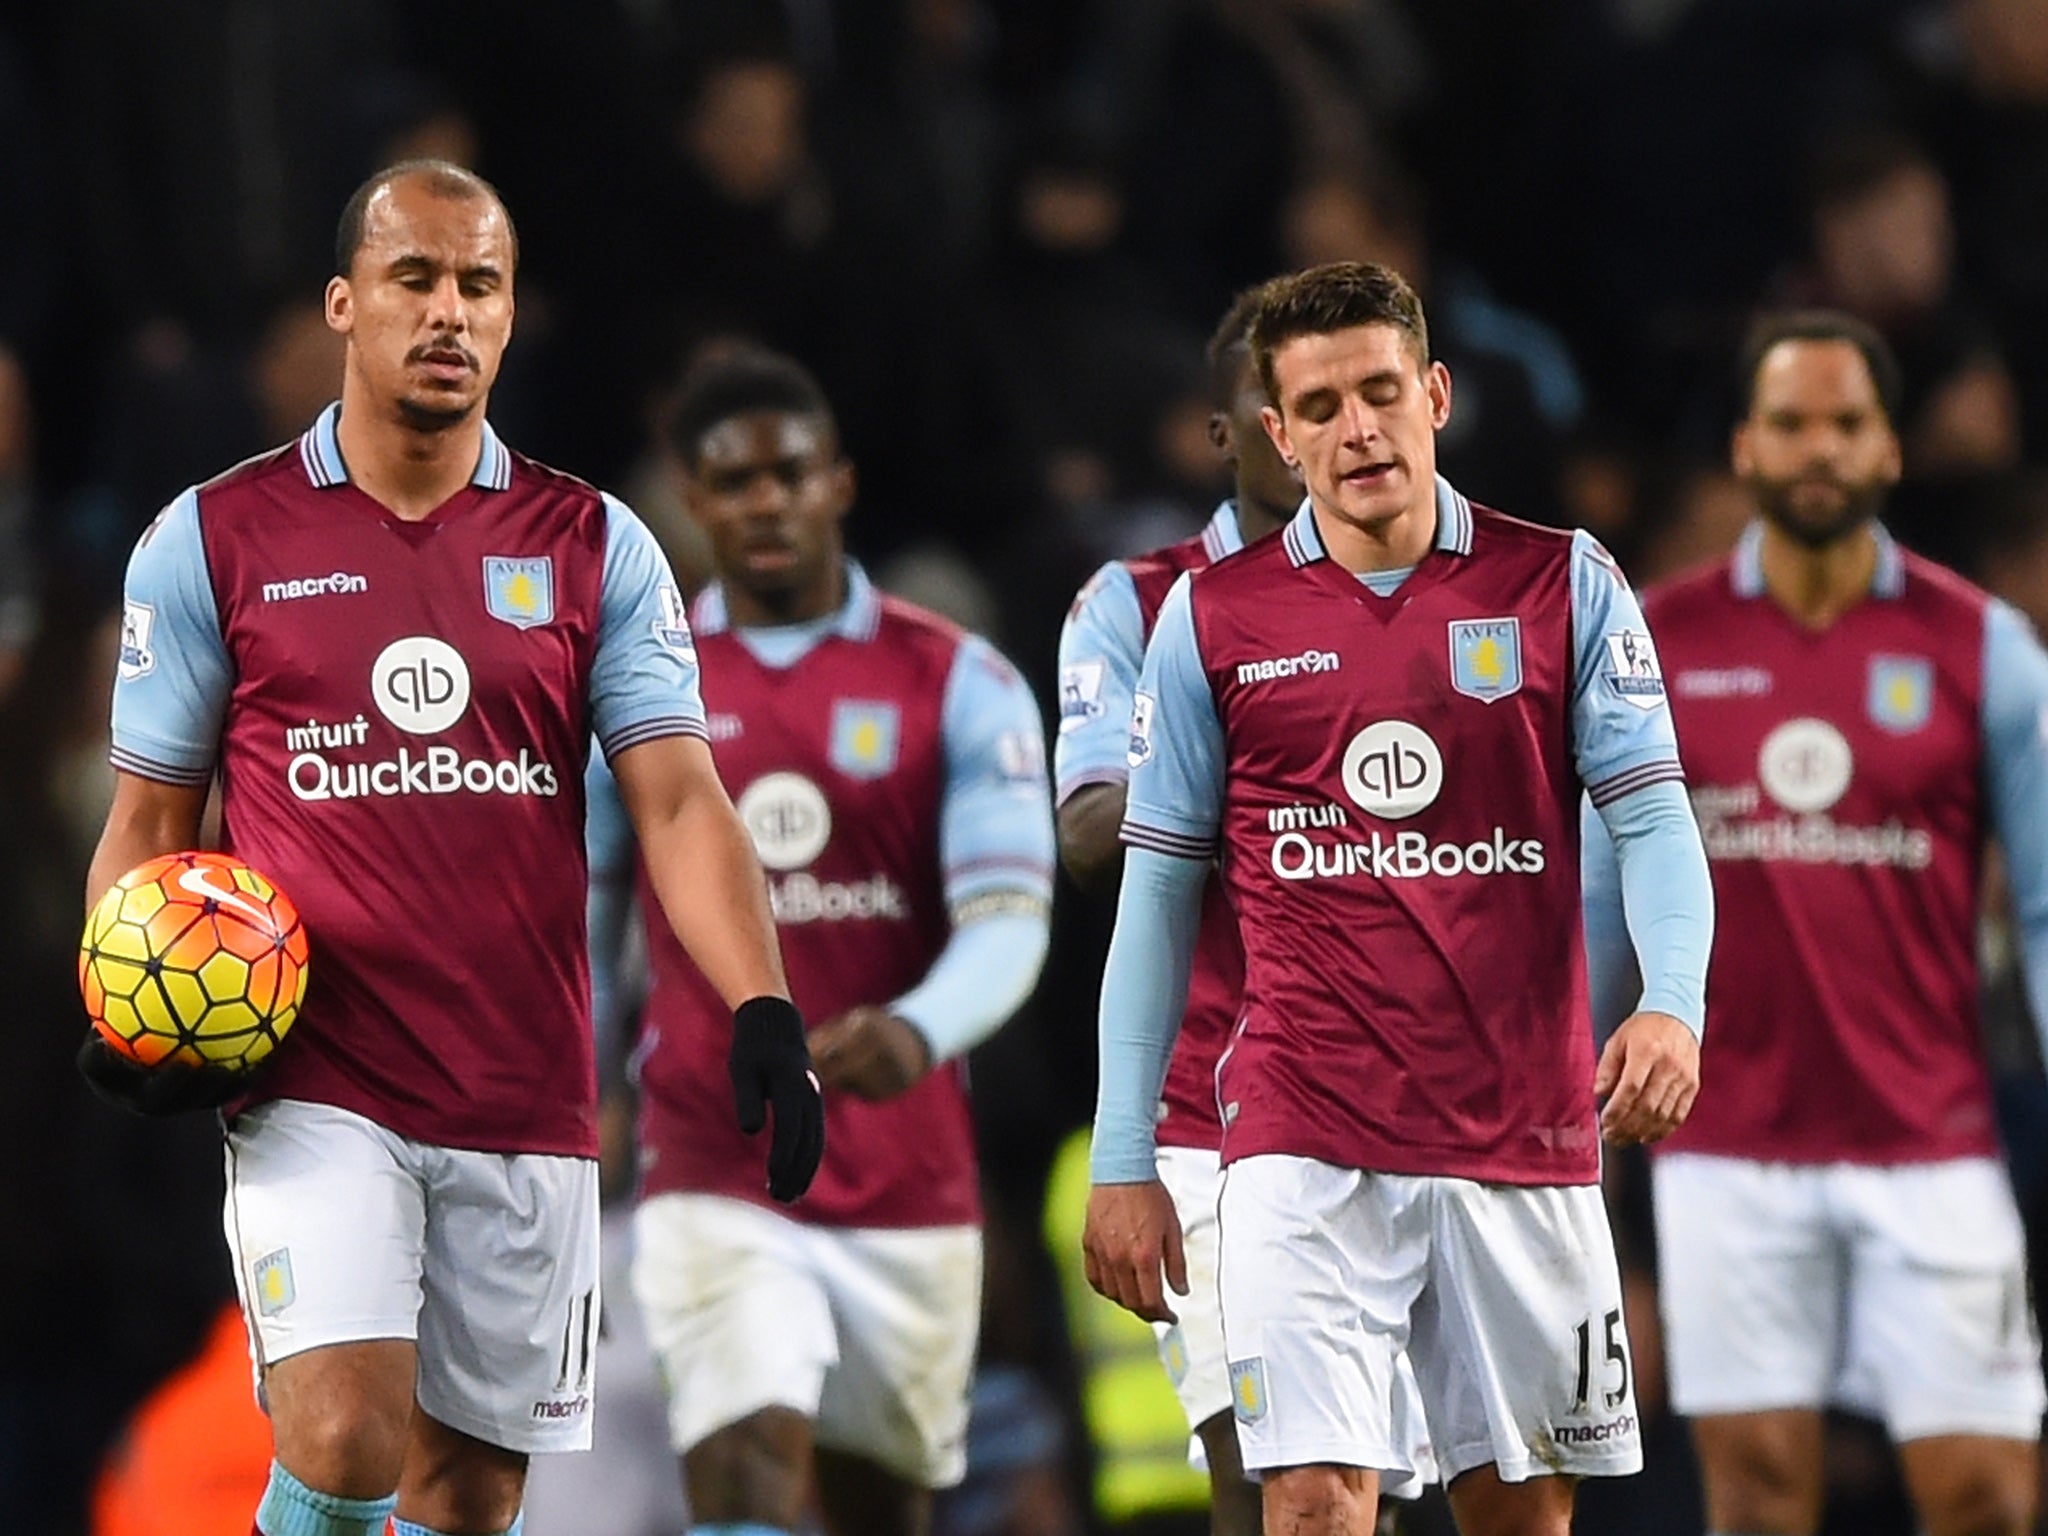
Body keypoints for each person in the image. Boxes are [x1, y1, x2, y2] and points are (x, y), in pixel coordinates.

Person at [77, 159, 824, 1536]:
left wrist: (762, 1005)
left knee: (470, 1496)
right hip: (315, 1077)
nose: (448, 311)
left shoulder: (594, 544)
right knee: (347, 1433)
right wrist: (131, 1004)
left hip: (524, 1086)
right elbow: (147, 824)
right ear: (344, 305)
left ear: (511, 314)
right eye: (415, 278)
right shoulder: (213, 540)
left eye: (479, 284)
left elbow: (676, 797)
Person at [1081, 261, 1715, 1536]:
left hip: (1518, 1141)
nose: (1354, 429)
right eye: (1317, 407)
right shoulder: (1211, 619)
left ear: (1434, 395)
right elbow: (1152, 898)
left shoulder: (1561, 584)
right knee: (1313, 1509)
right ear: (1275, 433)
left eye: (1379, 392)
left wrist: (1674, 1005)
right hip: (1298, 1145)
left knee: (1518, 1520)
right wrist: (1121, 1156)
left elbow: (1649, 817)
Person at [1584, 310, 2048, 1536]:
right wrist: (1572, 1158)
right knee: (1755, 1496)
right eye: (1788, 423)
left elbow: (2044, 906)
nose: (1817, 450)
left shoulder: (1982, 649)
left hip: (1932, 1139)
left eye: (1845, 424)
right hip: (1725, 1145)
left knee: (1989, 1498)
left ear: (1888, 449)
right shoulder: (1654, 648)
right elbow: (1598, 906)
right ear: (1742, 447)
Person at [587, 346, 1056, 1536]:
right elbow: (584, 909)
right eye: (732, 482)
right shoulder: (639, 693)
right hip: (711, 1154)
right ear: (691, 502)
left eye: (789, 474)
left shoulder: (957, 681)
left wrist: (917, 1029)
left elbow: (1008, 914)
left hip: (904, 1173)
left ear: (837, 482)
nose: (765, 502)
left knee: (875, 1510)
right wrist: (585, 1073)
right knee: (739, 1464)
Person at [1056, 282, 1432, 1535]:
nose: (1320, 433)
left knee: (1396, 1499)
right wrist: (1240, 753)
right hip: (1214, 1118)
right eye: (1282, 409)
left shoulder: (1452, 598)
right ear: (1234, 434)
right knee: (1275, 1484)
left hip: (1423, 1103)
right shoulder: (1139, 602)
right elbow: (1090, 830)